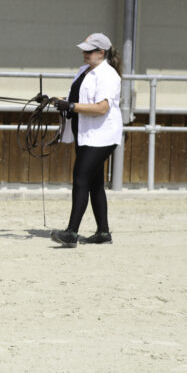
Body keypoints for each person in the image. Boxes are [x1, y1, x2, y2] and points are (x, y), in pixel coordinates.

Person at [50, 32, 123, 248]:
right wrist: (54, 100)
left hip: (102, 136)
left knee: (81, 177)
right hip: (85, 134)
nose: (84, 54)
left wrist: (71, 107)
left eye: (89, 51)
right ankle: (103, 232)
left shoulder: (109, 76)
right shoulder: (84, 71)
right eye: (84, 50)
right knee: (95, 183)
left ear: (101, 53)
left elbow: (102, 108)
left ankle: (71, 232)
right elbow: (75, 99)